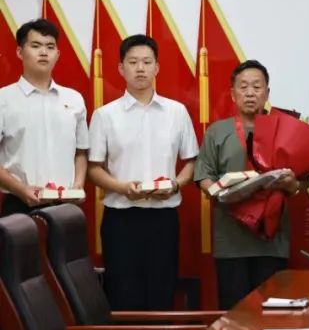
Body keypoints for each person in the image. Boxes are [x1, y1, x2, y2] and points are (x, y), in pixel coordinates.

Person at [88, 34, 199, 310]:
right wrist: (122, 188)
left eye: (147, 62)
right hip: (121, 219)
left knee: (162, 293)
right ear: (121, 68)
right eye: (133, 62)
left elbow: (191, 163)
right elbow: (93, 168)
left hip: (163, 218)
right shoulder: (105, 115)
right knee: (123, 295)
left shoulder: (176, 112)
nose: (140, 68)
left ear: (157, 67)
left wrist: (175, 185)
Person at [195, 60, 302, 309]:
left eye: (257, 86)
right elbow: (203, 176)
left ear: (267, 92)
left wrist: (290, 183)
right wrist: (219, 193)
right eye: (243, 87)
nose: (250, 93)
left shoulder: (285, 129)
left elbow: (301, 182)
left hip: (272, 240)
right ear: (233, 94)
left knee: (272, 312)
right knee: (234, 312)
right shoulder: (217, 131)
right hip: (231, 240)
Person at [0, 19, 89, 216]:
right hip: (19, 203)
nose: (43, 52)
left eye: (50, 47)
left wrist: (77, 185)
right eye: (35, 46)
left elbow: (81, 151)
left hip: (66, 204)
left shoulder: (74, 99)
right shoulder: (3, 99)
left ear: (57, 54)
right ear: (20, 52)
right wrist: (20, 189)